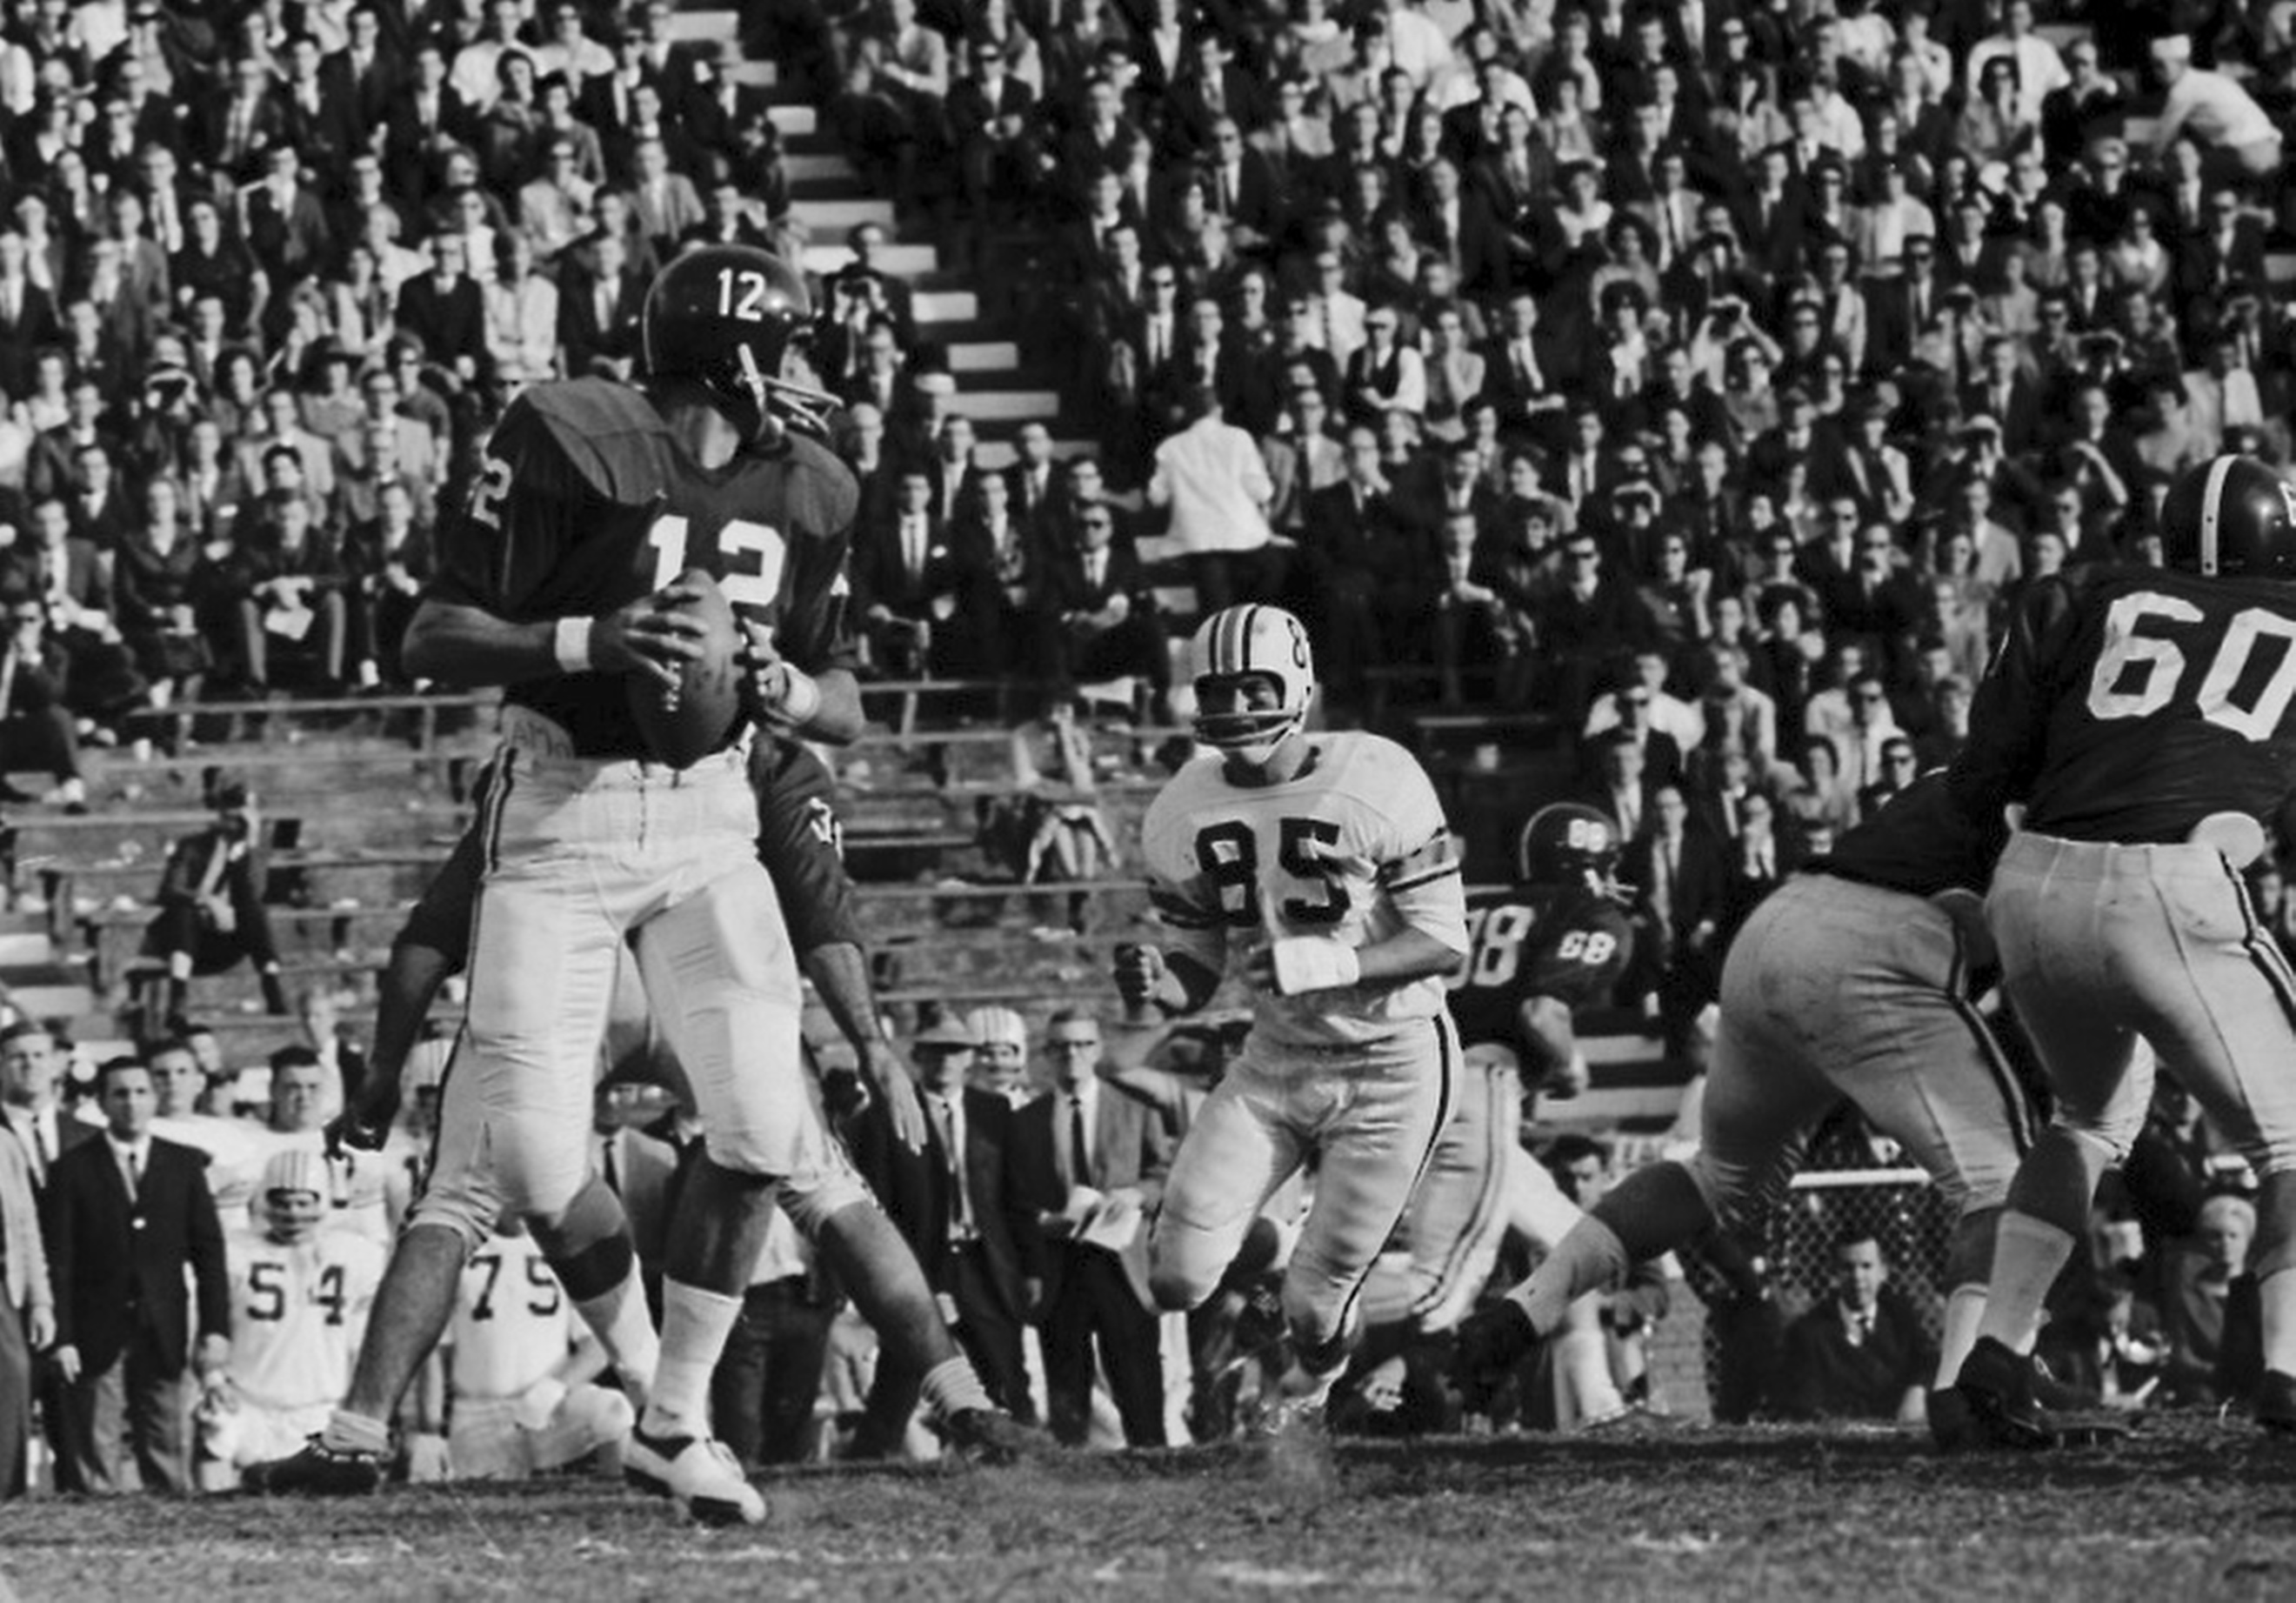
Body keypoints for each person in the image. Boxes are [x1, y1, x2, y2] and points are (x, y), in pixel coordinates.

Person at [247, 244, 865, 1526]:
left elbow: (842, 695)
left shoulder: (813, 487)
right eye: (787, 344)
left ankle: (675, 1419)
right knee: (528, 1156)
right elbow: (428, 635)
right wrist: (587, 637)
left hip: (709, 814)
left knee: (757, 1126)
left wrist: (781, 689)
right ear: (730, 351)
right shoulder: (569, 435)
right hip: (560, 804)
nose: (802, 374)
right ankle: (652, 1384)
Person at [267, 733, 1031, 1498]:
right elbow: (821, 906)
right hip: (691, 976)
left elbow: (429, 934)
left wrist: (384, 1072)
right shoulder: (752, 752)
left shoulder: (566, 752)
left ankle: (363, 1434)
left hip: (581, 971)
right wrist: (869, 1040)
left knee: (460, 1198)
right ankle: (951, 1400)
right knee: (822, 1182)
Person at [1458, 776, 2032, 1443]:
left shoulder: (1955, 782)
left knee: (1718, 1175)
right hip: (1880, 957)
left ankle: (1523, 1310)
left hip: (1776, 928)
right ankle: (1971, 1389)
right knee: (2004, 1182)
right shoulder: (2064, 793)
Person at [1944, 454, 2296, 1446]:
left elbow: (1984, 772)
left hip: (2033, 878)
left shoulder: (2089, 592)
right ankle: (2289, 1371)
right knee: (2291, 1141)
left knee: (2087, 1120)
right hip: (2169, 885)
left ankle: (1997, 1356)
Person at [1118, 603, 1470, 1434]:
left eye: (1254, 685)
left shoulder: (1377, 775)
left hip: (1393, 1062)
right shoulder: (1180, 807)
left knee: (1317, 1310)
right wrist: (1153, 987)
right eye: (1219, 688)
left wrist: (1326, 961)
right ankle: (1272, 1255)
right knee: (1174, 1275)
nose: (1236, 704)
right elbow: (1195, 970)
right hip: (1277, 1059)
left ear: (1300, 685)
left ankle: (1316, 1388)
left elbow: (1443, 943)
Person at [1349, 802, 1639, 1433]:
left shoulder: (1476, 905)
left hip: (1424, 1077)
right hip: (1477, 1088)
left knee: (1577, 1246)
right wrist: (1571, 1067)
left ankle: (1598, 1404)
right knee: (1439, 1291)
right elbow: (1542, 1013)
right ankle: (1304, 1346)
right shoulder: (1589, 912)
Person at [43, 1056, 230, 1494]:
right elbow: (61, 1261)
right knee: (96, 1438)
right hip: (95, 1327)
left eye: (141, 1092)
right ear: (103, 1103)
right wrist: (64, 1336)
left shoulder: (183, 1164)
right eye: (120, 1093)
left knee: (167, 1435)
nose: (131, 1102)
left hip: (162, 1323)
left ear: (154, 1099)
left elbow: (209, 1255)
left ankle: (168, 1525)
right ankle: (98, 1527)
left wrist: (215, 1328)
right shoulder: (73, 1169)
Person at [1011, 1009, 1173, 1447]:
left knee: (1137, 1372)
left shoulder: (1137, 1111)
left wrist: (1137, 1194)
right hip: (1059, 1263)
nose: (1072, 1055)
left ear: (1098, 1050)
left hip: (1122, 1262)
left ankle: (1153, 1459)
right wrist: (1043, 1221)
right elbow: (1014, 1197)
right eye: (1061, 1046)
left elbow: (1163, 1174)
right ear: (1046, 1054)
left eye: (1082, 1044)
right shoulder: (1026, 1121)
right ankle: (1072, 1469)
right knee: (1066, 1373)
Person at [202, 1150, 386, 1483]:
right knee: (216, 1461)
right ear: (264, 1202)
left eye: (304, 1203)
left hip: (321, 1406)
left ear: (324, 1202)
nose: (292, 1213)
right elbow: (208, 1324)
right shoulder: (235, 1252)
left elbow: (364, 1339)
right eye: (282, 1202)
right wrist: (213, 1379)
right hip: (247, 1400)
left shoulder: (354, 1254)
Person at [437, 1216, 634, 1481]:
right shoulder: (457, 1249)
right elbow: (437, 1351)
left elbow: (598, 1344)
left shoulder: (565, 1252)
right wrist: (426, 1425)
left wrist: (552, 1389)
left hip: (551, 1408)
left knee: (612, 1410)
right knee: (494, 1503)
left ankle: (618, 1501)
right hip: (479, 1414)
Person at [143, 783, 292, 1022]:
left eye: (242, 818)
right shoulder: (193, 846)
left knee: (255, 909)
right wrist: (209, 902)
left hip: (229, 941)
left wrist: (250, 844)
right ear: (221, 815)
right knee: (183, 910)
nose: (235, 825)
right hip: (187, 938)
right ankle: (177, 1000)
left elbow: (256, 891)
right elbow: (169, 890)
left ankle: (272, 985)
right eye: (230, 817)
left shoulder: (256, 852)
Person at [1773, 1232, 1934, 1422]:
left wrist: (1917, 1390)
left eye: (1866, 1266)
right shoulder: (1809, 1333)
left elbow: (1930, 1361)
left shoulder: (1901, 1318)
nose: (1857, 1277)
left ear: (1883, 1272)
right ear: (1833, 1274)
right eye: (1847, 1268)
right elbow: (1804, 1404)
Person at [0, 1118, 51, 1499]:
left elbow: (26, 1226)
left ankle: (8, 1504)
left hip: (6, 1291)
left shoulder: (6, 1144)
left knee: (12, 1386)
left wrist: (40, 1301)